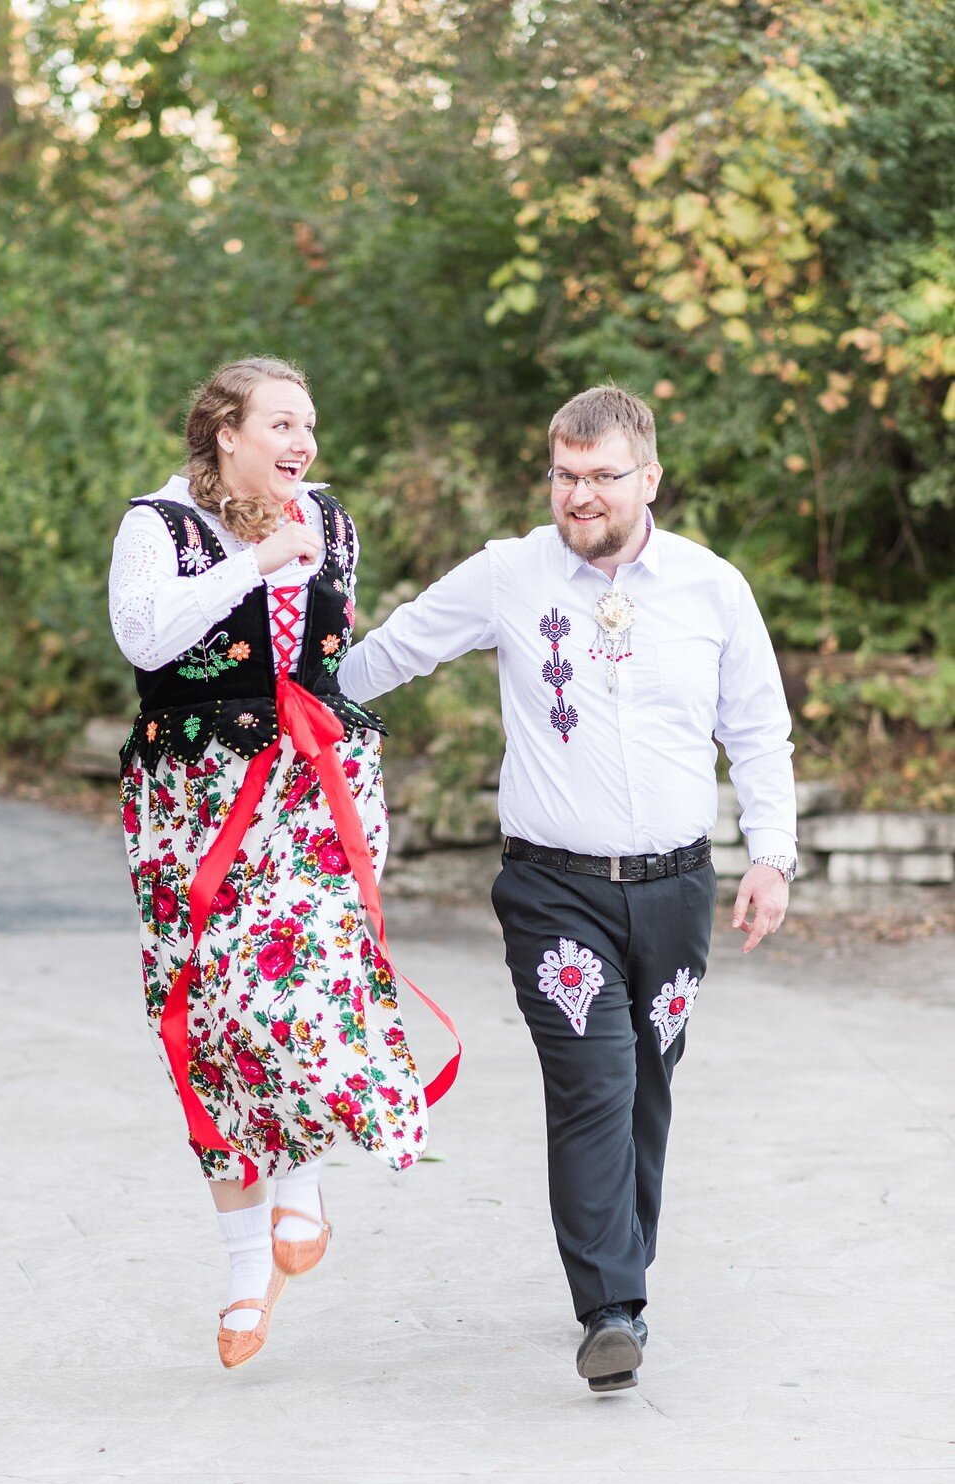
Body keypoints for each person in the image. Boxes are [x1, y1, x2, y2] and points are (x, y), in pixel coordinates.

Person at [338, 384, 797, 1394]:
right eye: (564, 475)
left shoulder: (713, 588)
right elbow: (391, 653)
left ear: (649, 479)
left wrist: (773, 855)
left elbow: (757, 727)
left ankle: (620, 1270)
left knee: (648, 1082)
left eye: (600, 476)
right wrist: (275, 680)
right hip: (553, 888)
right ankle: (611, 1307)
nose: (579, 494)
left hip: (676, 887)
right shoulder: (508, 575)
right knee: (594, 1078)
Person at [109, 356, 454, 1370]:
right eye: (283, 425)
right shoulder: (160, 525)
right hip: (190, 799)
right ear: (226, 431)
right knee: (207, 1022)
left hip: (312, 782)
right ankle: (243, 1270)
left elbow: (330, 660)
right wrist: (248, 565)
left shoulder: (329, 519)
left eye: (310, 426)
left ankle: (299, 1191)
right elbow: (144, 635)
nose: (304, 445)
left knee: (283, 985)